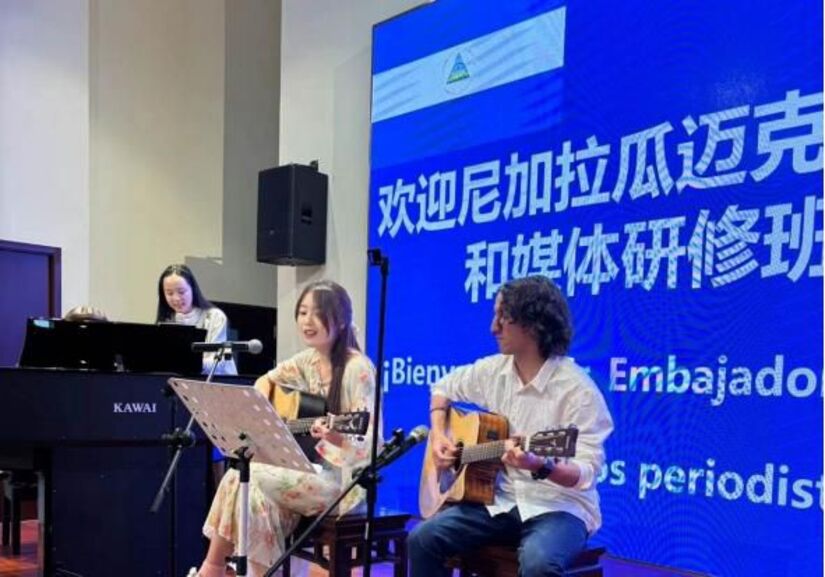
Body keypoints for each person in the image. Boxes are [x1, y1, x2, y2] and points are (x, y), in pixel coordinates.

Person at [408, 275, 614, 577]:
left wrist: (541, 466)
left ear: (532, 325)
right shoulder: (494, 371)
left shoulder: (578, 392)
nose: (493, 328)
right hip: (500, 501)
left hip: (559, 507)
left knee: (538, 564)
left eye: (503, 319)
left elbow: (585, 473)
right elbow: (442, 389)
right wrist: (439, 434)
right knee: (422, 539)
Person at [191, 280, 380, 577]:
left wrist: (335, 437)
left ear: (342, 320)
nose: (307, 321)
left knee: (244, 475)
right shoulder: (308, 360)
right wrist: (265, 408)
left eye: (318, 313)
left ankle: (212, 568)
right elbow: (265, 381)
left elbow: (371, 442)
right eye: (303, 312)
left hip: (344, 482)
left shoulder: (358, 368)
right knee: (253, 493)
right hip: (310, 470)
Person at [156, 264, 237, 375]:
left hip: (219, 379)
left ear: (192, 289)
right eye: (170, 293)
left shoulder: (214, 316)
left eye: (181, 292)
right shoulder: (166, 320)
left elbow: (218, 362)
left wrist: (186, 364)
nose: (176, 298)